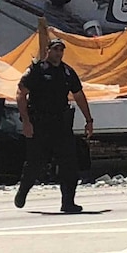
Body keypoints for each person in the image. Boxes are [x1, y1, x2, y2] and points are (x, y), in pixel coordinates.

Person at [14, 38, 93, 213]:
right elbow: (21, 94)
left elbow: (79, 96)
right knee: (35, 163)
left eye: (61, 50)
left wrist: (89, 120)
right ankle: (23, 191)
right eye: (55, 49)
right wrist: (26, 122)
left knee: (69, 164)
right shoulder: (36, 71)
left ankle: (68, 202)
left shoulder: (67, 72)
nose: (58, 53)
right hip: (40, 124)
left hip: (61, 125)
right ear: (48, 51)